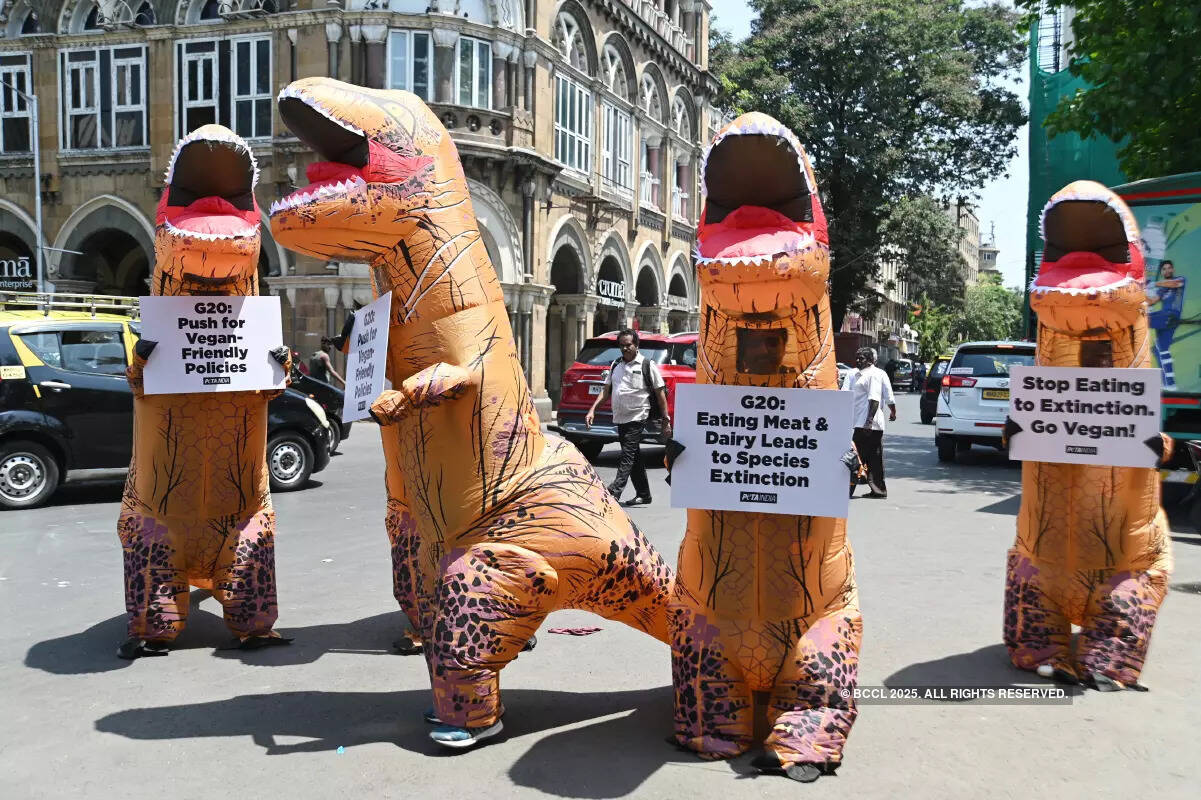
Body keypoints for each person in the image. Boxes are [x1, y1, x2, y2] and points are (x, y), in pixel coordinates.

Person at [585, 328, 671, 506]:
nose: (625, 349)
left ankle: (614, 492)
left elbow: (660, 393)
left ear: (636, 345)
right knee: (634, 456)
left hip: (638, 415)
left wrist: (665, 420)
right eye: (621, 346)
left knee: (627, 454)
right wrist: (592, 409)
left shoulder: (647, 365)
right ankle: (644, 494)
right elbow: (606, 391)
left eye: (628, 345)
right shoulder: (616, 365)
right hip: (620, 416)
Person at [842, 346, 892, 498]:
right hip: (865, 423)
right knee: (874, 459)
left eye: (861, 358)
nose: (857, 360)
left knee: (854, 457)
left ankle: (846, 490)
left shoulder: (873, 374)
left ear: (870, 360)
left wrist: (868, 422)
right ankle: (878, 490)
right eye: (856, 357)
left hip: (867, 424)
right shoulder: (859, 374)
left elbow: (875, 399)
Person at [1148, 260, 1185, 389]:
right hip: (1165, 320)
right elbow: (1152, 301)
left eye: (1169, 268)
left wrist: (1152, 283)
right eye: (1164, 269)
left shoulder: (1180, 279)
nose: (1167, 270)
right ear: (1162, 272)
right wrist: (1140, 291)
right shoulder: (1163, 288)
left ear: (1173, 270)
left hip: (1170, 316)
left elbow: (1174, 284)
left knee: (1143, 318)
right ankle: (1170, 384)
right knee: (1161, 350)